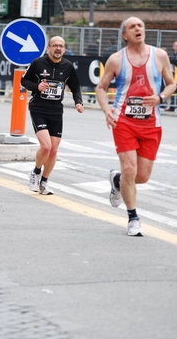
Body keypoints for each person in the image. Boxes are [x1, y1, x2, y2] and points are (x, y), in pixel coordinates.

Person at [96, 16, 176, 236]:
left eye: (140, 25)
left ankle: (117, 180)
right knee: (130, 169)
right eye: (132, 26)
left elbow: (171, 84)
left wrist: (160, 97)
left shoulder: (159, 56)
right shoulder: (116, 60)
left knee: (142, 177)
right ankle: (133, 218)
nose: (138, 28)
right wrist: (107, 110)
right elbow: (101, 88)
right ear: (125, 35)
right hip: (124, 122)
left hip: (152, 124)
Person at [21, 35, 84, 195]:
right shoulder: (38, 63)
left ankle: (44, 182)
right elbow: (24, 81)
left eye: (61, 46)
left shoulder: (68, 66)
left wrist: (78, 102)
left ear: (64, 49)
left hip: (56, 110)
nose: (58, 48)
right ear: (48, 48)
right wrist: (37, 87)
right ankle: (35, 172)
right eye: (54, 45)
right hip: (38, 108)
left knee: (54, 150)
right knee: (46, 146)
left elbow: (75, 86)